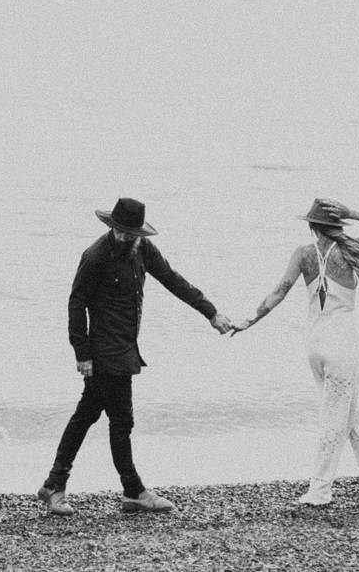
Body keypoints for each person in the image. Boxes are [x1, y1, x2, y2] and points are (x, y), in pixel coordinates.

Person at [36, 197, 234, 516]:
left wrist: (210, 313)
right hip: (103, 351)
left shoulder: (142, 249)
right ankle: (125, 490)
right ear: (112, 227)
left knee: (93, 415)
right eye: (121, 231)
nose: (127, 237)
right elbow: (76, 305)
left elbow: (172, 279)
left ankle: (59, 485)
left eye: (132, 232)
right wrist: (82, 354)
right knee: (116, 420)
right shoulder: (95, 256)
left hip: (125, 349)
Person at [230, 198, 359, 506]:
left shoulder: (303, 254)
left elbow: (279, 292)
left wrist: (249, 320)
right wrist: (353, 212)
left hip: (314, 342)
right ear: (337, 225)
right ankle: (320, 489)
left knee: (351, 413)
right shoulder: (353, 250)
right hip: (343, 342)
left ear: (312, 227)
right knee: (336, 417)